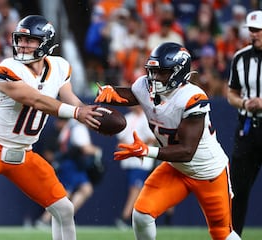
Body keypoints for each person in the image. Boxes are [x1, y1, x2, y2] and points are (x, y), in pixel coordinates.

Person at [0, 15, 101, 240]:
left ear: (45, 43)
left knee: (64, 209)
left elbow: (70, 98)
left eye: (30, 40)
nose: (23, 45)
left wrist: (89, 114)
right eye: (20, 39)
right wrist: (77, 113)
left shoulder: (59, 66)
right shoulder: (8, 68)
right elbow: (36, 100)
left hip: (24, 153)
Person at [95, 42, 240, 240]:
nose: (154, 78)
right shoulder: (145, 86)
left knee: (221, 234)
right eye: (152, 71)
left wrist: (148, 151)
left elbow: (187, 151)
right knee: (141, 214)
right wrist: (110, 92)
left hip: (208, 172)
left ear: (178, 72)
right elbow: (131, 94)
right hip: (176, 168)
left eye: (161, 72)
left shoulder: (192, 97)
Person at [226, 10, 262, 238]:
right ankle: (233, 236)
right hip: (248, 127)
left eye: (257, 30)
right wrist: (243, 102)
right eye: (251, 30)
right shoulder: (241, 57)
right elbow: (231, 93)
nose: (253, 34)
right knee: (237, 188)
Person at [35, 118, 102, 228]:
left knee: (86, 189)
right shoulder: (78, 127)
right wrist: (97, 151)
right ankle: (45, 220)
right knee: (64, 194)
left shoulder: (70, 126)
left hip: (73, 164)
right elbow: (85, 148)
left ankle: (64, 218)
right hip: (72, 164)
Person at [114, 105, 157, 229]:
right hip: (128, 161)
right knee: (135, 189)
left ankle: (125, 217)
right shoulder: (127, 118)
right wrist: (125, 147)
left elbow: (151, 139)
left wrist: (136, 148)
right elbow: (121, 138)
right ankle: (136, 219)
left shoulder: (147, 118)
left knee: (135, 188)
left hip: (141, 161)